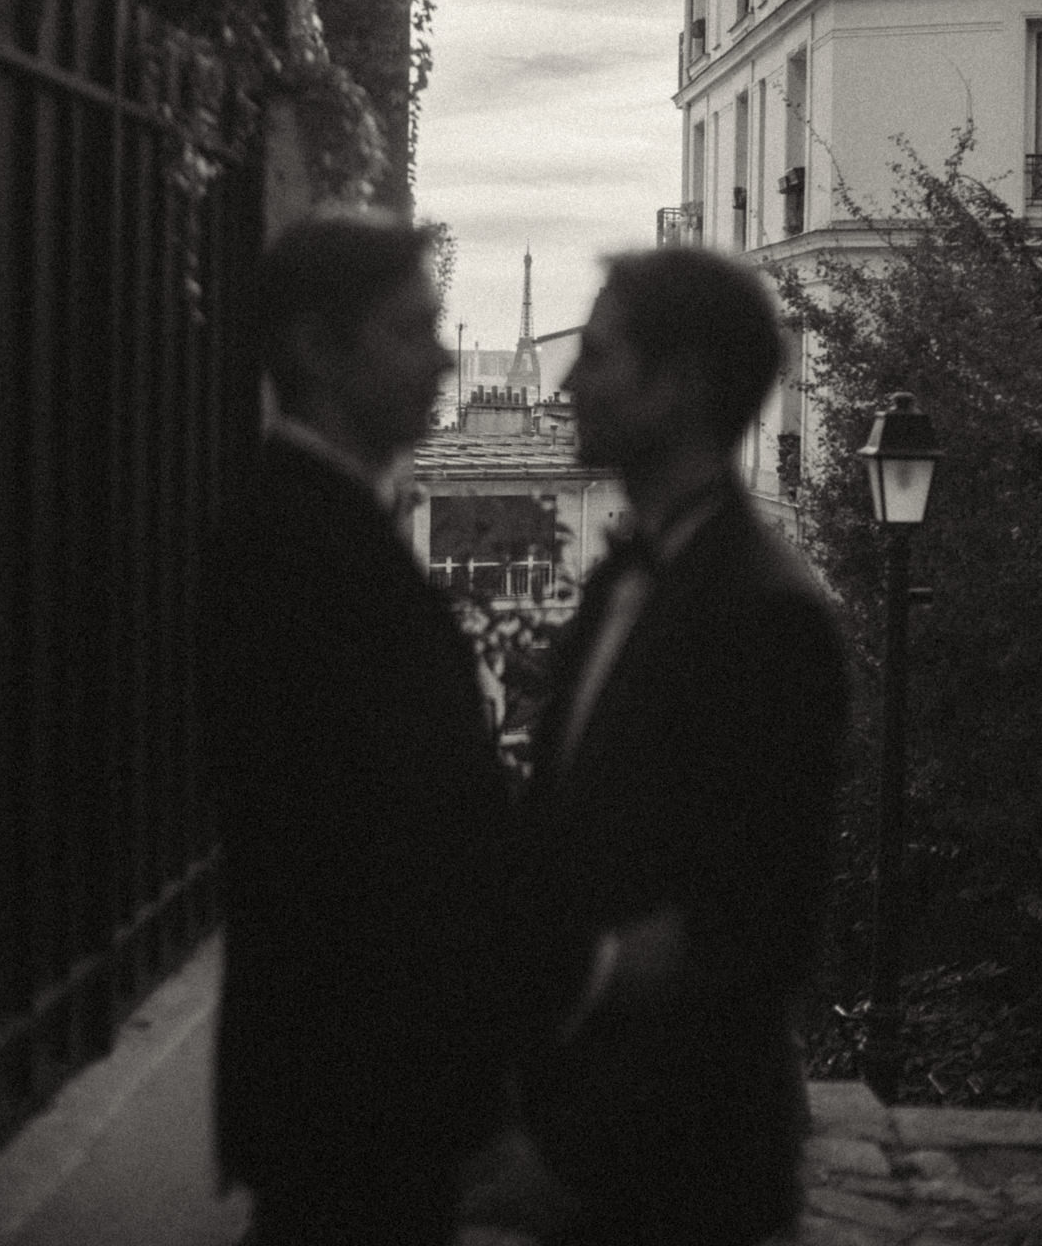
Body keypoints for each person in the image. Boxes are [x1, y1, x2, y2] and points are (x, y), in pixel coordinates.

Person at [514, 246, 848, 1246]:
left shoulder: (768, 616)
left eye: (602, 354)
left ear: (683, 385)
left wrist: (564, 974)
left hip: (682, 1173)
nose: (570, 381)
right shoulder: (634, 572)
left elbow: (753, 933)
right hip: (588, 1151)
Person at [201, 210, 512, 1246]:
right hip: (357, 1097)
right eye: (412, 330)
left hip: (342, 1094)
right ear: (318, 348)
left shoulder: (307, 530)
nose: (441, 358)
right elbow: (385, 848)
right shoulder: (304, 555)